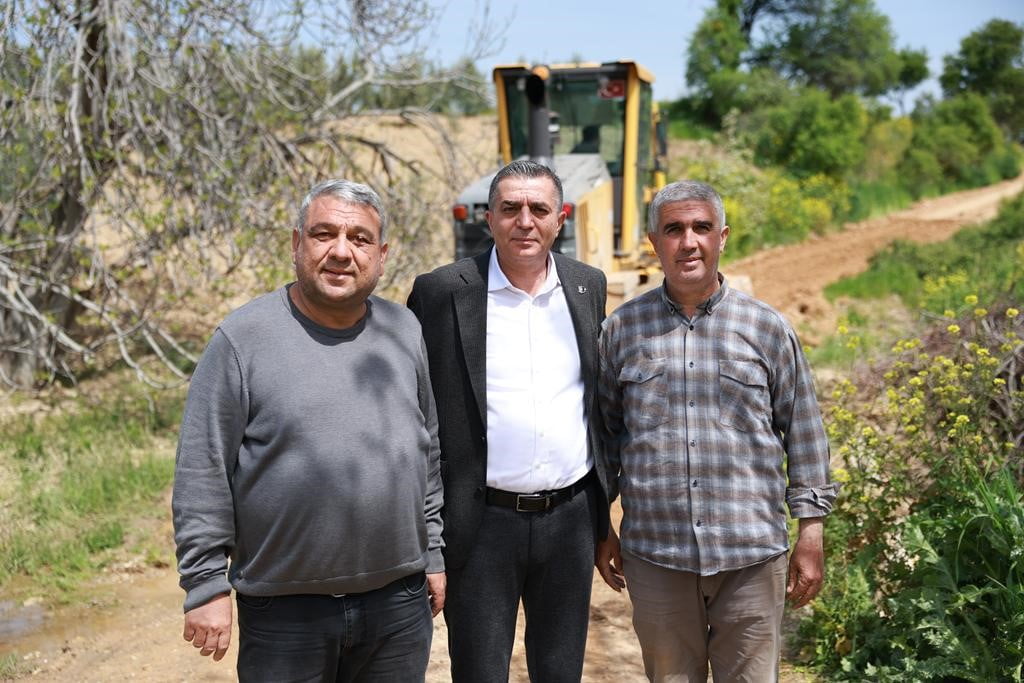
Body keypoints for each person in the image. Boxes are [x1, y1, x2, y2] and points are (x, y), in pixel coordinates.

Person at [172, 179, 445, 682]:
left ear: (381, 256)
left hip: (398, 606)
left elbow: (425, 451)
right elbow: (202, 468)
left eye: (359, 239)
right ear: (297, 244)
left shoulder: (404, 331)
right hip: (284, 613)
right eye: (324, 234)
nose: (341, 252)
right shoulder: (242, 339)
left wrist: (432, 552)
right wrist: (206, 583)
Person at [595, 180, 839, 681]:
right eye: (674, 229)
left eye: (701, 228)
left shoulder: (766, 328)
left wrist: (810, 533)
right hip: (657, 555)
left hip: (750, 555)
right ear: (653, 241)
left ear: (722, 237)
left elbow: (805, 433)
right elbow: (604, 440)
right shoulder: (620, 331)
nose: (689, 241)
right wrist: (602, 526)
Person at [407, 159, 610, 682]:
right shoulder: (441, 292)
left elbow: (599, 407)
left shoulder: (588, 287)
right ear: (489, 218)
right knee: (478, 672)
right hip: (479, 525)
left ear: (559, 218)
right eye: (510, 208)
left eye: (538, 208)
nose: (525, 221)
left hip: (569, 521)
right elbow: (416, 414)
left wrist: (603, 520)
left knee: (561, 671)